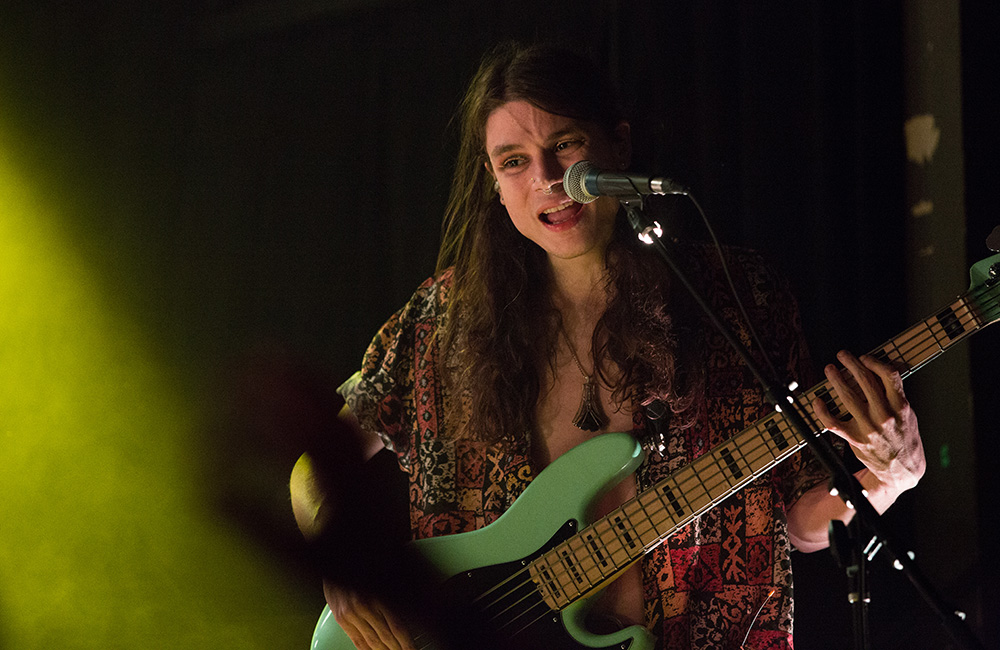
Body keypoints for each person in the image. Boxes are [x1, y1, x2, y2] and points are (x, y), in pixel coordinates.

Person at [290, 42, 925, 650]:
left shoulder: (740, 296)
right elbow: (316, 468)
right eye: (514, 161)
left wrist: (886, 479)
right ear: (492, 177)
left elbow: (800, 523)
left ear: (617, 143)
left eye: (565, 146)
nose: (548, 180)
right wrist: (343, 563)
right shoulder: (439, 323)